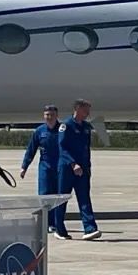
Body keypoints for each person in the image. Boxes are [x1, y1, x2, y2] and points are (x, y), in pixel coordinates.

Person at [56, 99, 101, 240]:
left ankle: (90, 228)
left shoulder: (87, 127)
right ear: (77, 108)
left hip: (83, 169)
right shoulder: (66, 126)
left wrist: (87, 167)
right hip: (67, 168)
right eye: (86, 109)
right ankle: (60, 229)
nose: (88, 113)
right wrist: (73, 164)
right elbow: (62, 148)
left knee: (84, 198)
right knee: (62, 198)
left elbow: (86, 150)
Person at [21, 104, 67, 237]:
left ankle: (56, 223)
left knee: (58, 197)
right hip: (45, 168)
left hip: (60, 167)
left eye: (52, 115)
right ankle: (46, 223)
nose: (50, 117)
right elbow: (31, 149)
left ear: (57, 115)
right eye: (47, 115)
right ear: (44, 116)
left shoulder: (63, 130)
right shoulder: (39, 131)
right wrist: (24, 166)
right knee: (45, 196)